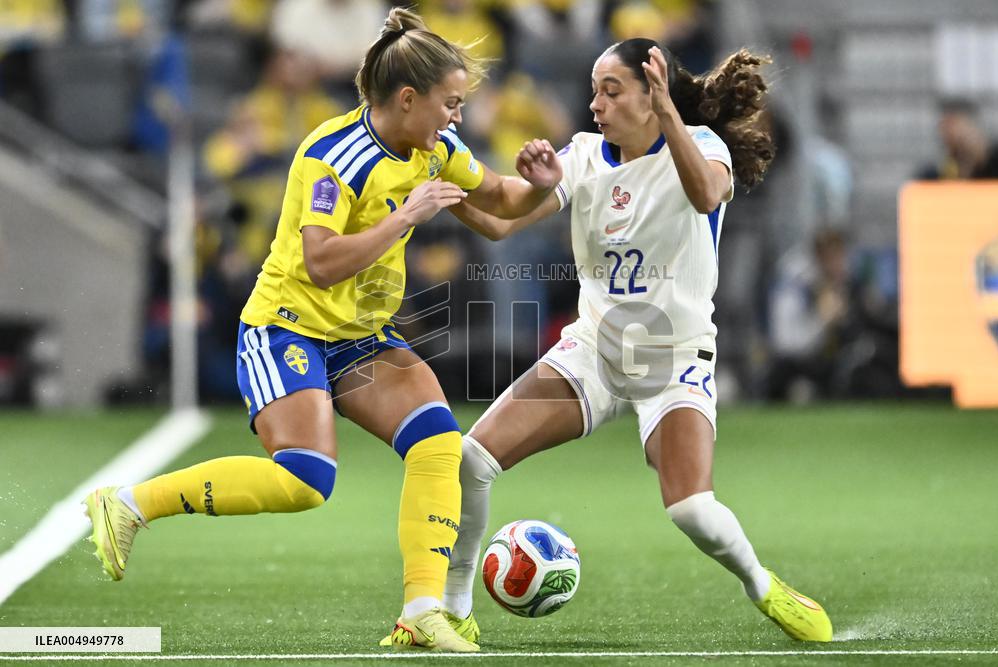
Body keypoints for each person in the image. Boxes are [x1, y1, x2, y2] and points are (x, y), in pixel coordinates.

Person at [82, 7, 562, 653]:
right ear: (408, 98)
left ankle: (421, 611)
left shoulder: (434, 148)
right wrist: (405, 218)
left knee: (438, 441)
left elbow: (500, 201)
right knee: (305, 479)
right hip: (289, 329)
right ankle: (129, 503)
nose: (457, 116)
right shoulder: (332, 155)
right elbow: (321, 259)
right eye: (449, 103)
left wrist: (540, 185)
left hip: (362, 335)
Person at [442, 39, 833, 643]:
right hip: (593, 352)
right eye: (595, 90)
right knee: (471, 459)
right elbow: (498, 222)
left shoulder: (703, 148)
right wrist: (441, 171)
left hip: (673, 361)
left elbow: (705, 194)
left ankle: (762, 584)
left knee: (692, 510)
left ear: (653, 95)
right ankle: (454, 611)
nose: (594, 103)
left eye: (611, 90)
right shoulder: (581, 156)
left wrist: (673, 115)